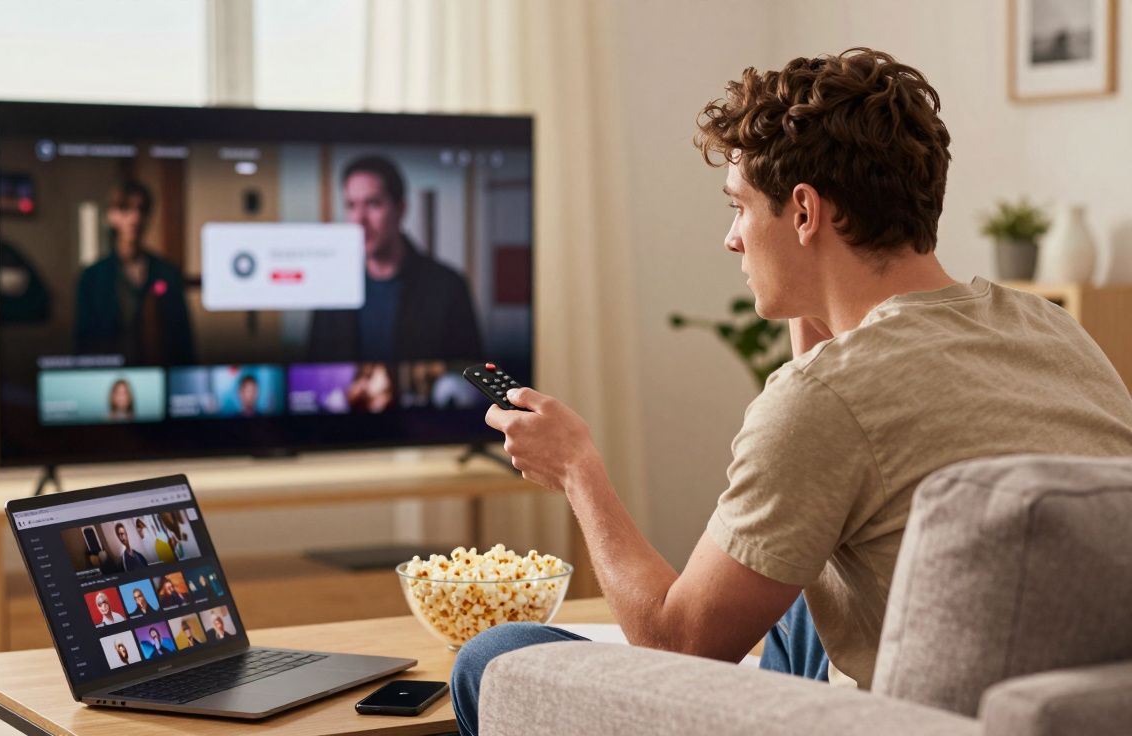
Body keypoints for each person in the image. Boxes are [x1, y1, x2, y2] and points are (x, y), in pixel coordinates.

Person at [448, 48, 1132, 735]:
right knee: (809, 578)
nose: (731, 239)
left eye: (740, 208)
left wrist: (577, 470)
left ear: (803, 211)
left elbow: (678, 642)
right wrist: (820, 350)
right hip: (1040, 705)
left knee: (495, 656)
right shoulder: (1051, 330)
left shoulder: (830, 397)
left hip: (885, 722)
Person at [306, 156, 483, 362]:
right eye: (351, 205)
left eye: (373, 204)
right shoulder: (329, 287)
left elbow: (469, 376)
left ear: (400, 209)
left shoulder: (448, 287)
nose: (359, 219)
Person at [75, 180, 195, 366]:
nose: (135, 218)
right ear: (111, 216)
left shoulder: (167, 273)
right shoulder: (92, 277)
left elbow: (184, 341)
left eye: (142, 209)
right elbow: (84, 343)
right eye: (126, 209)